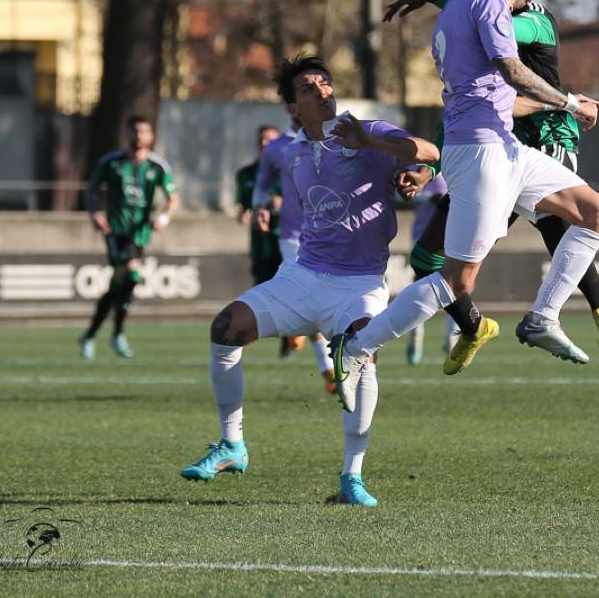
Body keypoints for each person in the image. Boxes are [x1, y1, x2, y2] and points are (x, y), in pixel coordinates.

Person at [331, 0, 599, 413]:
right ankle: (357, 346)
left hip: (503, 148)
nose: (519, 0)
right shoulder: (486, 3)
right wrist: (569, 103)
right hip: (482, 154)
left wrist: (553, 102)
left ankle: (543, 316)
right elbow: (513, 70)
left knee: (596, 212)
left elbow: (502, 95)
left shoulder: (454, 13)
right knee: (455, 281)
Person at [180, 54, 439, 507]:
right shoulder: (288, 151)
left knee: (363, 359)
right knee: (226, 328)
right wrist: (263, 204)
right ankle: (232, 445)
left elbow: (430, 153)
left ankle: (351, 477)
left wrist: (415, 171)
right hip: (300, 276)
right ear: (292, 109)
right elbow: (274, 186)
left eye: (325, 81)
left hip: (358, 284)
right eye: (307, 87)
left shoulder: (366, 132)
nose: (321, 89)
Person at [384, 0, 599, 357]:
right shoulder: (482, 38)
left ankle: (596, 308)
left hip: (547, 141)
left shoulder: (533, 22)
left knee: (561, 221)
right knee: (425, 256)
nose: (491, 1)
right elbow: (466, 115)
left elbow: (489, 36)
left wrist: (451, 5)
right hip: (495, 151)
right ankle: (473, 327)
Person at [78, 115, 179, 359]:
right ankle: (116, 334)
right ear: (128, 134)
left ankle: (92, 334)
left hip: (140, 233)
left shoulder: (157, 167)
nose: (139, 136)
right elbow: (92, 188)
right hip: (115, 231)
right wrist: (95, 212)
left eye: (144, 132)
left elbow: (173, 199)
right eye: (135, 131)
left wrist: (164, 218)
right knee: (132, 273)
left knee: (120, 283)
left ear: (151, 136)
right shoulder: (111, 163)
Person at [253, 117, 336, 379]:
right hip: (293, 234)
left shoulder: (339, 137)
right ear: (293, 106)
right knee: (313, 296)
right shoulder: (277, 148)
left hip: (333, 233)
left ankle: (297, 325)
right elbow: (262, 184)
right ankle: (328, 367)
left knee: (325, 301)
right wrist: (259, 206)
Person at [236, 124, 313, 362]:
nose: (264, 144)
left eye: (269, 139)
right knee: (266, 293)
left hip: (290, 237)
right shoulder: (247, 174)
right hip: (262, 243)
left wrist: (281, 203)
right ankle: (288, 334)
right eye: (261, 140)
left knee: (293, 289)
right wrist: (250, 212)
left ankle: (292, 341)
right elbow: (244, 206)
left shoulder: (291, 165)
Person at [403, 170, 454, 365]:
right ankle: (416, 335)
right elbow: (403, 196)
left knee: (455, 286)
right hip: (422, 236)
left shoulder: (452, 165)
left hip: (450, 236)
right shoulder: (416, 169)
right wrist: (428, 198)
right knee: (422, 287)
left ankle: (452, 338)